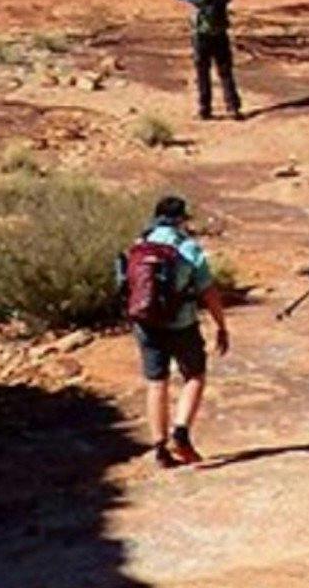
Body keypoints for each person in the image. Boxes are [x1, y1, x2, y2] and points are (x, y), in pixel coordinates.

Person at [119, 195, 229, 469]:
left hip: (145, 323)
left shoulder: (139, 246)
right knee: (194, 375)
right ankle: (181, 432)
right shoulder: (189, 249)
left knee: (157, 383)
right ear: (182, 219)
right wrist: (221, 326)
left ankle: (160, 448)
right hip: (182, 324)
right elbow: (209, 292)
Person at [176, 0, 241, 121]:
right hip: (221, 34)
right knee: (225, 72)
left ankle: (205, 109)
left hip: (201, 36)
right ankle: (233, 108)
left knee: (202, 72)